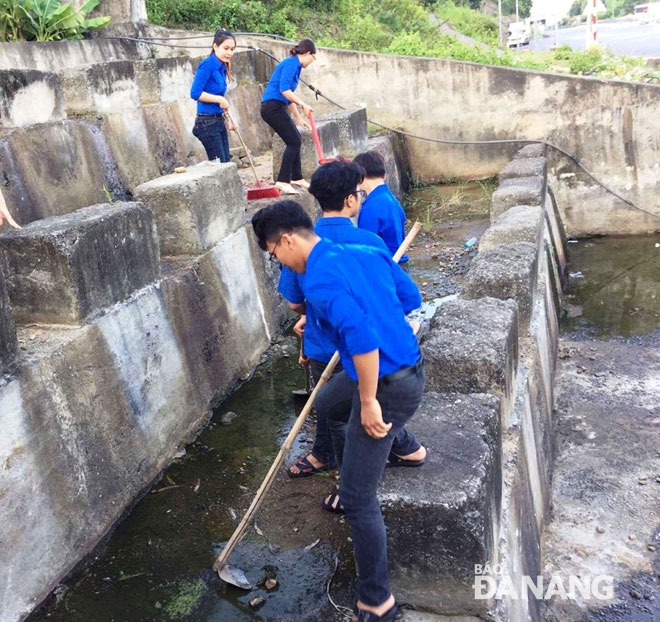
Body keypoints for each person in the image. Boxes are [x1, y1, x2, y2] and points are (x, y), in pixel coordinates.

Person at [252, 201, 426, 621]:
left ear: (287, 240)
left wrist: (368, 403)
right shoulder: (358, 250)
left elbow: (363, 340)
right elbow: (408, 297)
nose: (280, 263)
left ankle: (377, 602)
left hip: (386, 383)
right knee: (326, 403)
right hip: (398, 366)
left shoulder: (318, 277)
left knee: (357, 496)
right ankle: (402, 446)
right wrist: (318, 321)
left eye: (275, 255)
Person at [277, 161, 426, 479]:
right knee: (355, 403)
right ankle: (379, 450)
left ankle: (353, 465)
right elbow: (404, 298)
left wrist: (310, 314)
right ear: (350, 200)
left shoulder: (302, 245)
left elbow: (293, 302)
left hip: (323, 343)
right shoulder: (369, 242)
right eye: (359, 193)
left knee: (338, 405)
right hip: (366, 341)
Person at [260, 39, 317, 195]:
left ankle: (297, 177)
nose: (312, 61)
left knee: (295, 138)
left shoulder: (295, 66)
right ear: (308, 53)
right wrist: (304, 104)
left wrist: (298, 118)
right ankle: (283, 181)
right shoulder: (292, 64)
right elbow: (284, 90)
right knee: (294, 141)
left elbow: (289, 96)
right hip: (272, 107)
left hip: (278, 106)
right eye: (313, 57)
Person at [353, 150, 409, 267]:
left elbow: (366, 248)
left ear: (360, 178)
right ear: (384, 175)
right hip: (398, 264)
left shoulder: (371, 206)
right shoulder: (392, 200)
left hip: (385, 267)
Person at [190, 29, 236, 163]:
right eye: (226, 48)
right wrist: (219, 99)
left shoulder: (222, 66)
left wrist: (230, 120)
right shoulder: (208, 65)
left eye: (232, 49)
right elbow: (195, 93)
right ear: (215, 46)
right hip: (206, 122)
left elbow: (220, 99)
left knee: (226, 163)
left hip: (218, 120)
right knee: (220, 165)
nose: (229, 52)